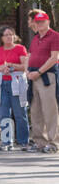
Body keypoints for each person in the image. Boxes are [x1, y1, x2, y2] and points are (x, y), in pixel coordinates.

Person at [0, 25, 29, 150]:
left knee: (20, 113)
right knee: (4, 114)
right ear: (1, 38)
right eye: (6, 35)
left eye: (11, 34)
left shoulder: (20, 48)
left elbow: (24, 66)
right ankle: (7, 142)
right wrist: (1, 68)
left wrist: (12, 66)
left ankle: (23, 141)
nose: (9, 37)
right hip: (2, 85)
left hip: (16, 83)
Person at [25, 9, 59, 153]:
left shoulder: (54, 36)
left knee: (49, 109)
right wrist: (27, 71)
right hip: (33, 76)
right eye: (37, 22)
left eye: (42, 22)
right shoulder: (35, 38)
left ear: (48, 22)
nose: (39, 24)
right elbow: (30, 55)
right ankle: (39, 141)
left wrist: (38, 72)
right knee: (35, 109)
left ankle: (53, 142)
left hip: (46, 76)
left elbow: (54, 58)